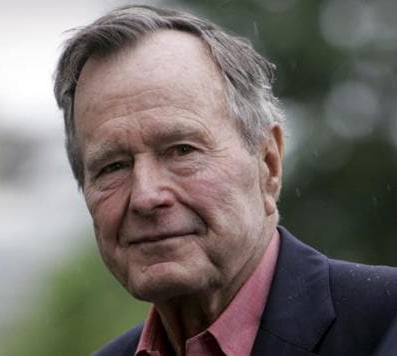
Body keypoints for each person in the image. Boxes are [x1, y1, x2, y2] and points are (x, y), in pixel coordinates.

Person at [53, 5, 397, 356]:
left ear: (268, 163)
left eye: (181, 150)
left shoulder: (385, 327)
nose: (146, 196)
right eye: (113, 167)